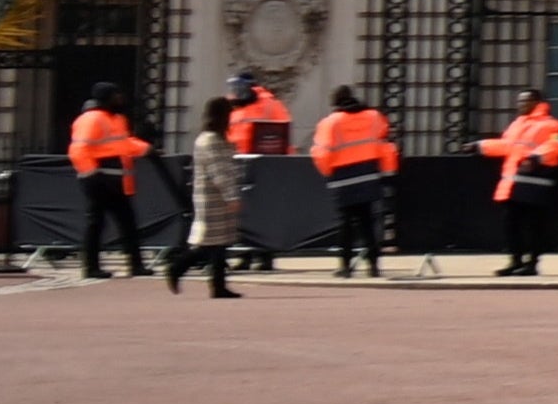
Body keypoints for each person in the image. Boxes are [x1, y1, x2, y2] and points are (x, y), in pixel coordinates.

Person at [480, 89, 558, 277]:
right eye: (519, 102)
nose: (520, 105)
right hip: (513, 182)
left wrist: (536, 157)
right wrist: (481, 146)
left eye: (525, 101)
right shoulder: (516, 125)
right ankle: (515, 260)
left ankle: (532, 263)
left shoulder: (551, 124)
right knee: (511, 224)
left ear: (537, 102)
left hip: (536, 183)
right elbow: (506, 146)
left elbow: (557, 145)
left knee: (534, 226)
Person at [313, 88, 400, 277]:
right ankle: (374, 265)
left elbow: (321, 152)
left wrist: (328, 172)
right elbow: (385, 143)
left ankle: (345, 266)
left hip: (342, 177)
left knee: (345, 223)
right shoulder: (374, 117)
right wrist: (386, 172)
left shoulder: (330, 123)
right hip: (368, 173)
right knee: (367, 221)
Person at [164, 94, 244, 298]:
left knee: (218, 243)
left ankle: (218, 285)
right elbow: (220, 171)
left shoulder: (213, 139)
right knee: (208, 243)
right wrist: (231, 195)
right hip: (214, 197)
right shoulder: (211, 141)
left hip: (214, 196)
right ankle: (177, 268)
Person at [66, 93, 152, 279]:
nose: (120, 100)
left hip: (116, 180)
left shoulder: (117, 119)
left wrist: (145, 149)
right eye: (116, 97)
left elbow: (123, 143)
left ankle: (136, 265)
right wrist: (91, 174)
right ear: (105, 99)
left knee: (127, 223)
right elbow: (78, 149)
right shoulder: (91, 119)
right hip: (98, 180)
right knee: (96, 223)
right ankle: (90, 267)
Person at [223, 73, 296, 274]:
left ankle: (264, 256)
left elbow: (282, 134)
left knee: (263, 213)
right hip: (241, 163)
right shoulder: (238, 108)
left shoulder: (269, 104)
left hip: (265, 165)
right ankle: (245, 255)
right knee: (244, 213)